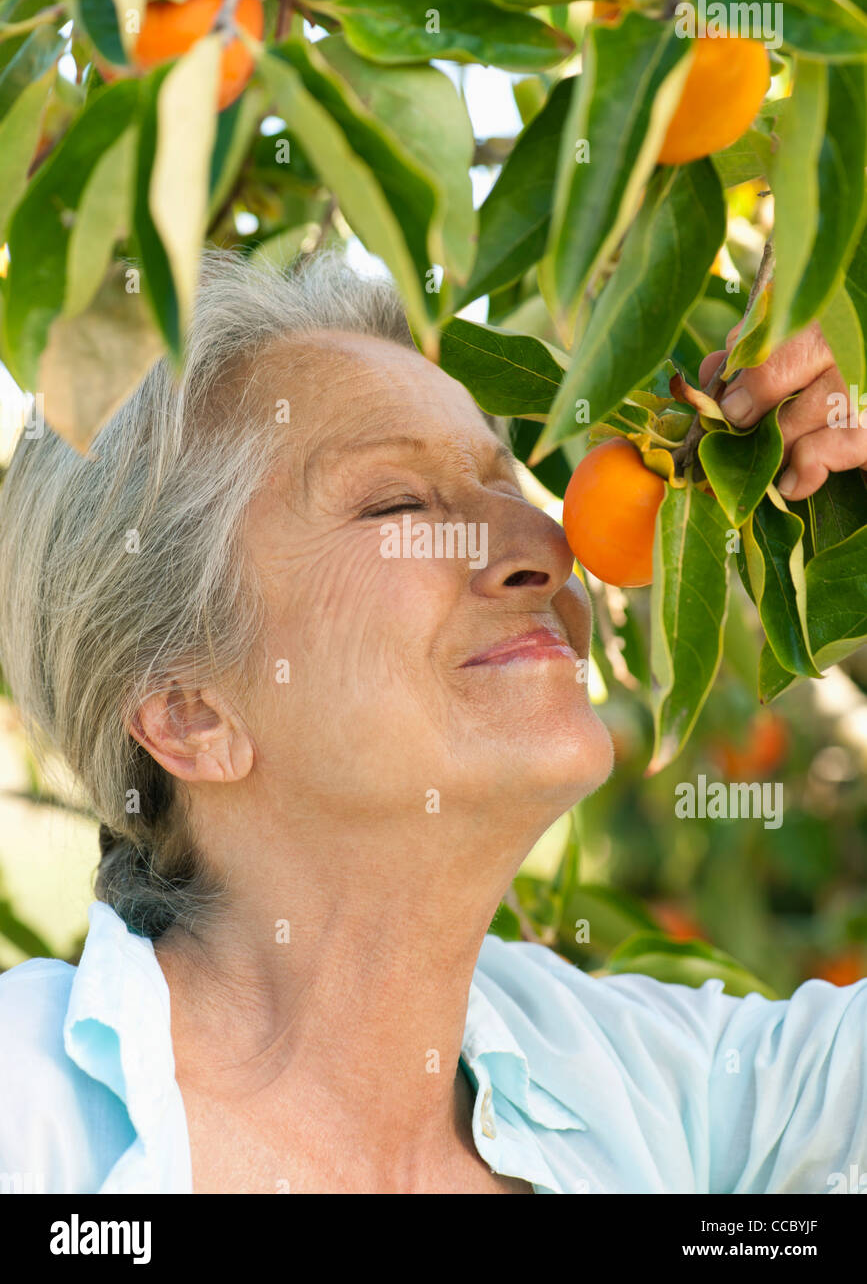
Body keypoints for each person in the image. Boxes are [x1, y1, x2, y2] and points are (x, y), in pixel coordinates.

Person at [0, 247, 864, 1195]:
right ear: (189, 713)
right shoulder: (28, 1121)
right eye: (399, 505)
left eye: (511, 490)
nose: (546, 544)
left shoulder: (678, 1098)